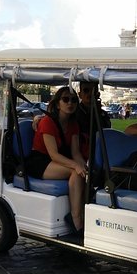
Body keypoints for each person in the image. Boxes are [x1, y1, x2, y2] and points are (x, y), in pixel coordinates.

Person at [27, 86, 86, 233]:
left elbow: (76, 152)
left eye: (73, 100)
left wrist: (83, 166)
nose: (70, 103)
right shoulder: (48, 122)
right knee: (75, 171)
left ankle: (82, 216)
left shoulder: (73, 125)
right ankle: (76, 220)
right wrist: (76, 166)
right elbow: (53, 154)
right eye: (65, 99)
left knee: (83, 172)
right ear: (58, 103)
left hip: (58, 160)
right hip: (40, 161)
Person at [76, 81, 111, 159]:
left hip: (101, 153)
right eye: (86, 90)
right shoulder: (74, 114)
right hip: (81, 153)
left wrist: (97, 111)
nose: (90, 94)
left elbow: (106, 132)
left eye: (93, 91)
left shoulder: (103, 114)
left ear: (98, 94)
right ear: (80, 94)